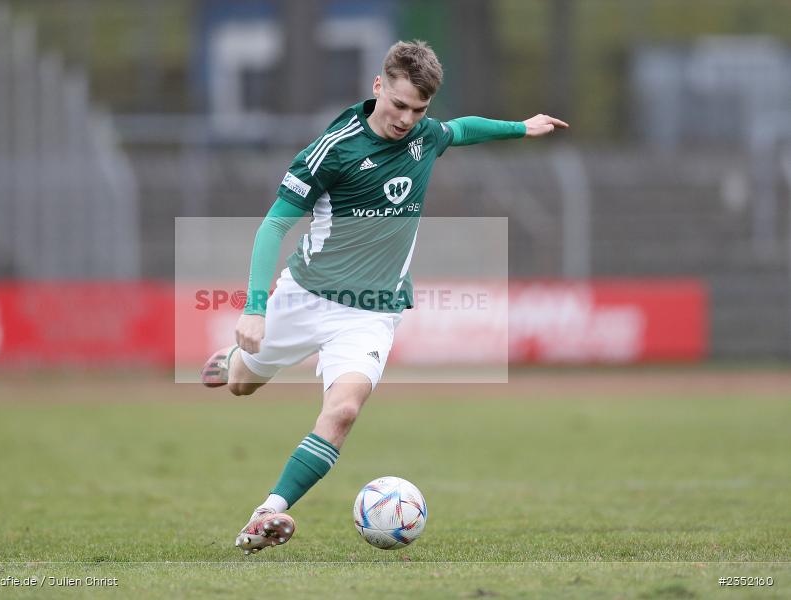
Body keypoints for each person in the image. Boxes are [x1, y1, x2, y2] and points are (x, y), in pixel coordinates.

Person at [201, 40, 568, 555]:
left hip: (372, 310)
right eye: (398, 105)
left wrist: (521, 127)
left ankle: (269, 512)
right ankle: (237, 359)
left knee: (344, 410)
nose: (406, 119)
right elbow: (272, 227)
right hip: (304, 297)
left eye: (419, 110)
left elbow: (461, 129)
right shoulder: (332, 150)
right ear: (378, 87)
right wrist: (256, 308)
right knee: (240, 384)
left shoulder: (425, 135)